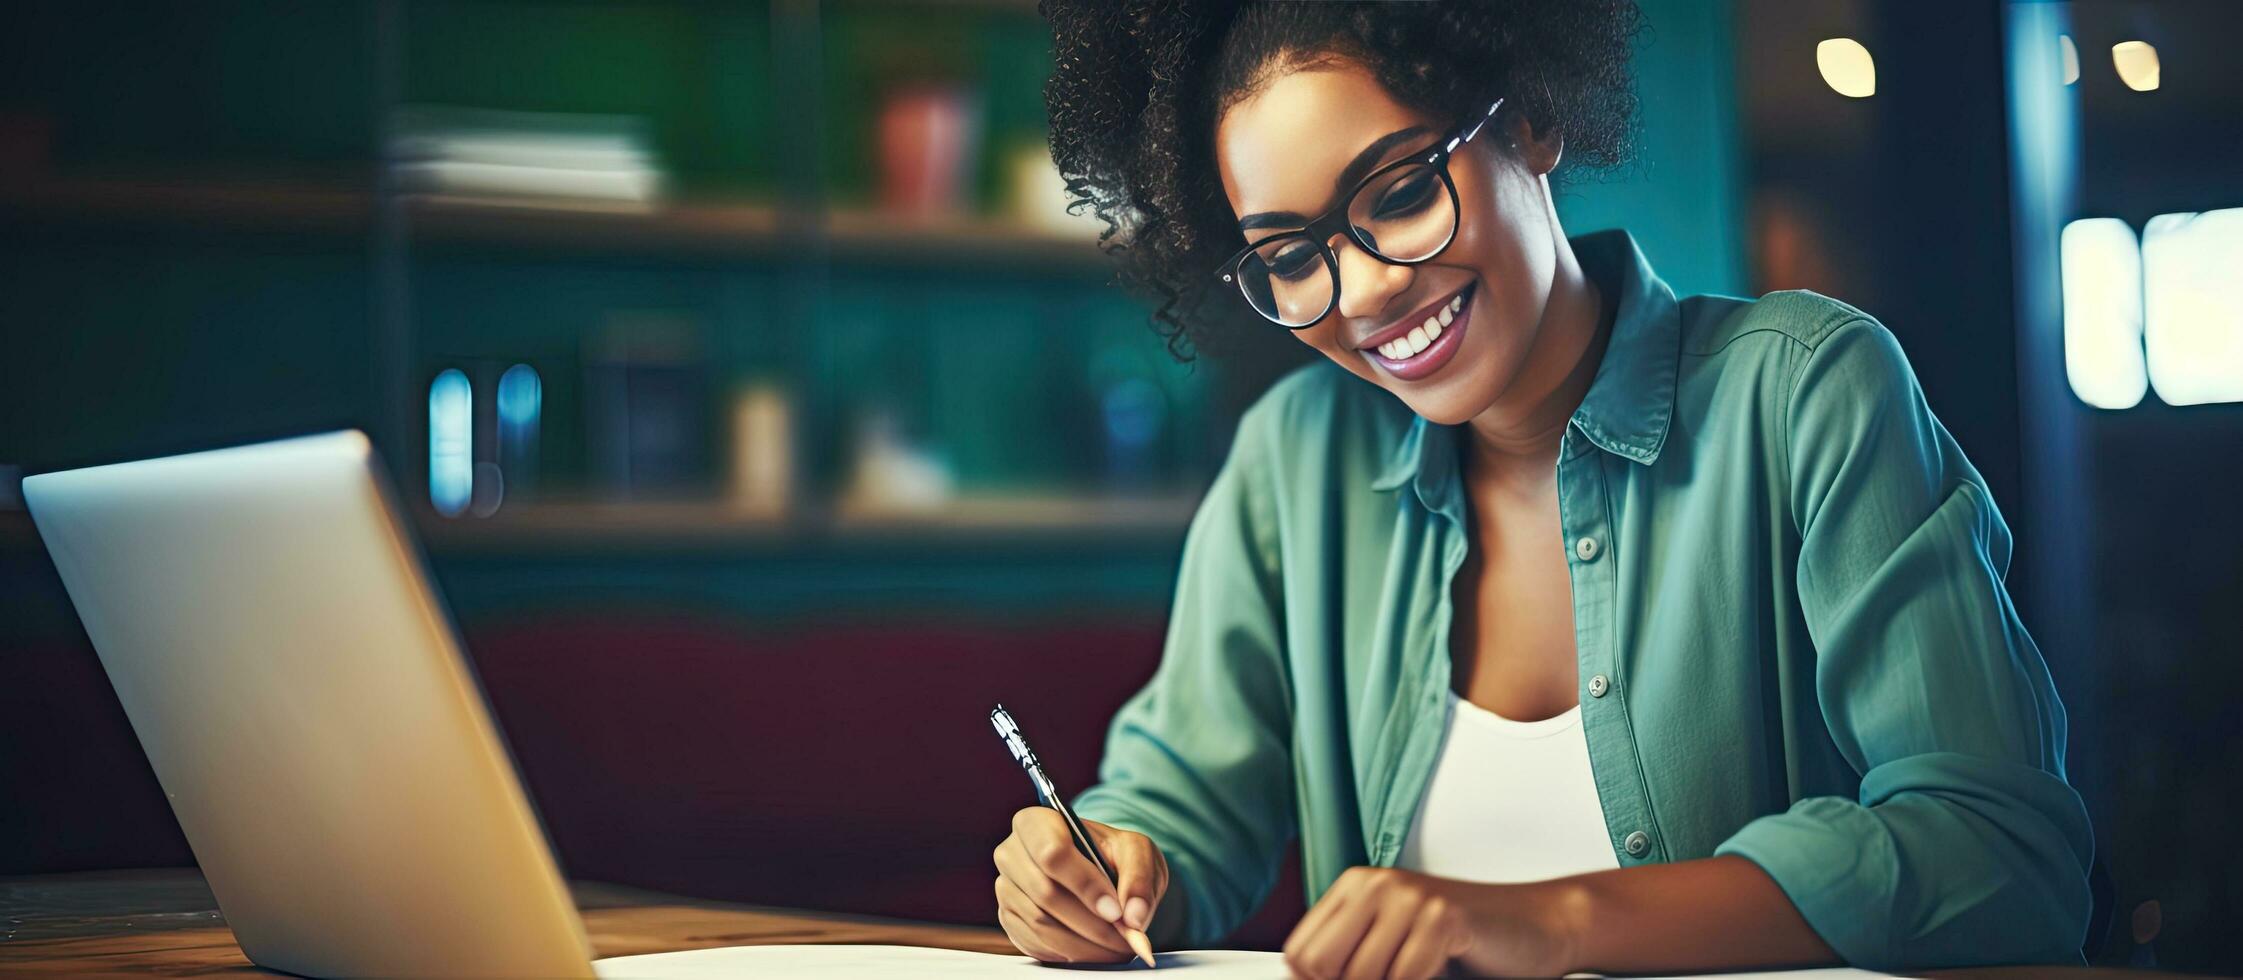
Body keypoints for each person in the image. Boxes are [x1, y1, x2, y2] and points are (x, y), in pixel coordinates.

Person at [988, 3, 2094, 977]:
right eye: (1289, 255)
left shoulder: (1804, 394)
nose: (1364, 290)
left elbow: (1996, 847)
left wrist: (1553, 919)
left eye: (1401, 190)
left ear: (1527, 122)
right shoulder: (1293, 463)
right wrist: (1106, 867)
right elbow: (1180, 805)